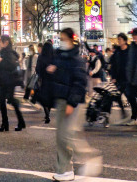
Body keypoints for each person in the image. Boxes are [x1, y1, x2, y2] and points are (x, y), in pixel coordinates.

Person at [47, 28, 101, 181]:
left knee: (69, 135)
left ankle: (90, 157)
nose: (61, 41)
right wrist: (53, 69)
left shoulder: (76, 59)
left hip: (72, 102)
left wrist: (71, 103)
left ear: (71, 40)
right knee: (60, 137)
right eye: (60, 38)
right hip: (61, 100)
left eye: (64, 39)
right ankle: (64, 169)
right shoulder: (59, 56)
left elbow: (79, 82)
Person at [0, 35, 26, 132]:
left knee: (5, 101)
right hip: (8, 80)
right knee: (8, 100)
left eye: (1, 42)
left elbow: (10, 65)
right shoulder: (9, 52)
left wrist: (0, 61)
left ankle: (7, 124)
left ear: (6, 42)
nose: (0, 44)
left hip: (7, 80)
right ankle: (16, 122)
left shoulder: (7, 53)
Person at [108, 34, 129, 122]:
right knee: (117, 95)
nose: (118, 41)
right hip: (119, 78)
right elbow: (112, 65)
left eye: (120, 39)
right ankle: (124, 113)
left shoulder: (130, 51)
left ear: (125, 40)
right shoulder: (117, 52)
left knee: (130, 96)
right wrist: (113, 77)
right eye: (118, 39)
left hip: (128, 78)